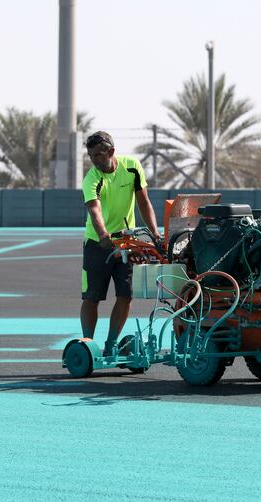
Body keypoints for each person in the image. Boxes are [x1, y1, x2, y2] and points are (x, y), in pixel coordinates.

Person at [80, 130, 162, 358]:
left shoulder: (132, 167)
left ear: (111, 152)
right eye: (91, 156)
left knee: (126, 295)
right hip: (98, 245)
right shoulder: (92, 178)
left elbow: (144, 202)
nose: (95, 160)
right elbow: (94, 210)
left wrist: (155, 233)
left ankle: (112, 344)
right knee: (92, 297)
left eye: (98, 155)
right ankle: (87, 345)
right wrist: (104, 235)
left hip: (127, 243)